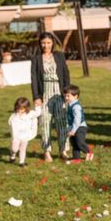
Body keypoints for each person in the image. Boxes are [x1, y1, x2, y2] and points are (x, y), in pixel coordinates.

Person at [31, 32, 70, 162]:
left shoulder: (59, 56)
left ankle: (63, 150)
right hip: (45, 92)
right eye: (43, 43)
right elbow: (34, 79)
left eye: (48, 42)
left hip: (59, 92)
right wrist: (36, 97)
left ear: (52, 43)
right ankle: (47, 151)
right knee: (45, 122)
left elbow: (65, 74)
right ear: (40, 44)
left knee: (61, 121)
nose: (46, 45)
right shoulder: (36, 59)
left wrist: (67, 92)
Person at [8, 97, 42, 168]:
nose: (20, 110)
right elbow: (11, 124)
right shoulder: (14, 117)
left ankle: (21, 162)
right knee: (14, 149)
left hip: (25, 135)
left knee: (23, 149)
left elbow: (37, 113)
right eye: (18, 108)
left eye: (22, 109)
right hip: (16, 136)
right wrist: (14, 137)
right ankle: (12, 156)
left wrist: (37, 106)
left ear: (26, 108)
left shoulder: (29, 114)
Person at [63, 85, 93, 162]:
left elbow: (77, 120)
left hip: (80, 127)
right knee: (74, 143)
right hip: (74, 127)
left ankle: (88, 152)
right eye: (65, 96)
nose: (66, 98)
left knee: (79, 142)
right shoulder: (70, 105)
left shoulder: (76, 107)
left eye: (68, 96)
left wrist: (73, 130)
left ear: (75, 96)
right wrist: (69, 129)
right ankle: (77, 158)